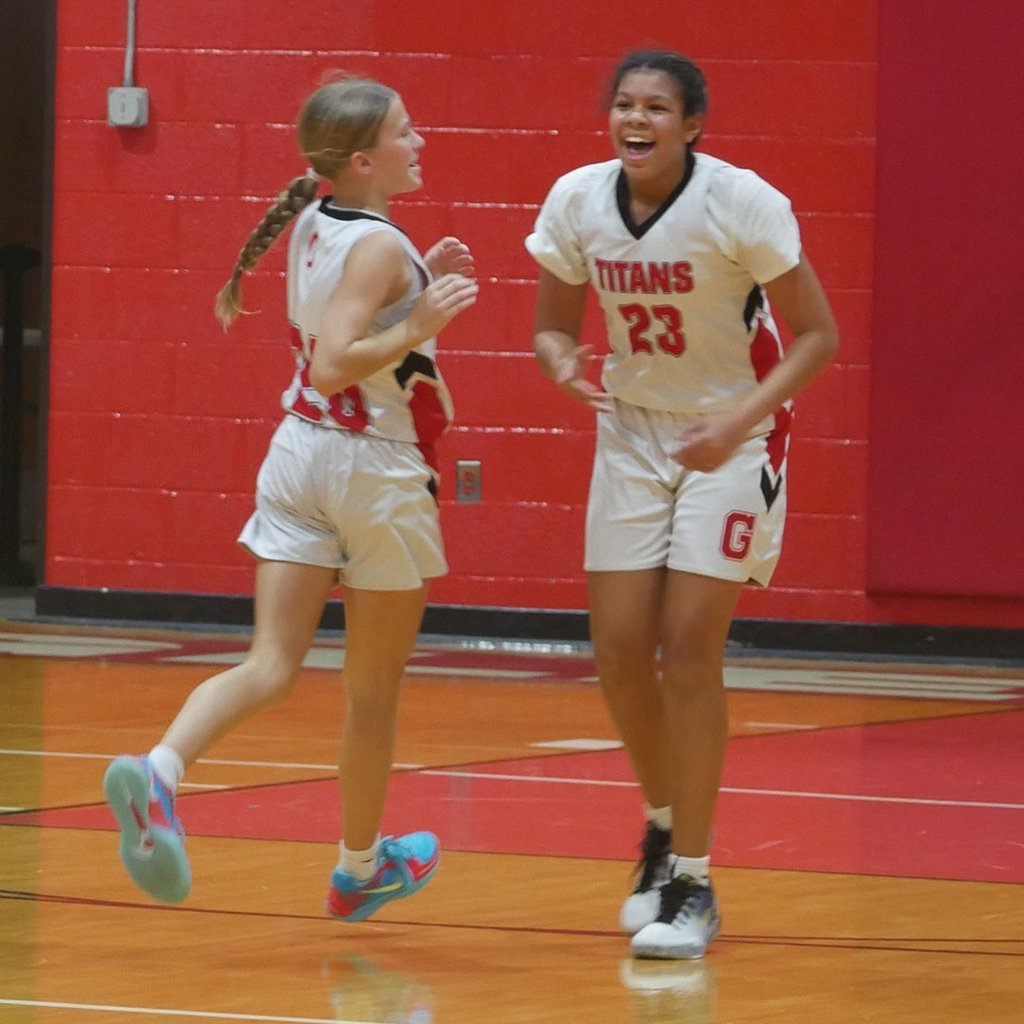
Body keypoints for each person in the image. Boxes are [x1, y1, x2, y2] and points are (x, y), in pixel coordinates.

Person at [102, 76, 478, 919]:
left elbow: (347, 313)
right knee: (371, 693)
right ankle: (358, 869)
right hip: (372, 470)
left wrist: (421, 285)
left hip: (298, 454)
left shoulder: (315, 218)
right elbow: (337, 359)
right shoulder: (379, 243)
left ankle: (161, 771)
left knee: (270, 663)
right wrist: (421, 323)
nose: (420, 142)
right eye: (407, 131)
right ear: (363, 158)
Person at [526, 50, 838, 959]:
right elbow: (552, 323)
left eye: (657, 107)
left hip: (734, 433)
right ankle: (662, 830)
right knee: (620, 651)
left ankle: (695, 884)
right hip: (631, 431)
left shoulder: (741, 201)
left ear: (692, 124)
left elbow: (817, 336)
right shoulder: (578, 199)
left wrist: (737, 415)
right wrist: (560, 364)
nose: (637, 118)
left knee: (689, 647)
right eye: (624, 104)